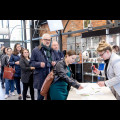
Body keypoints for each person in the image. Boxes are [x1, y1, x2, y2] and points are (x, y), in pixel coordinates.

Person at [30, 33, 58, 100]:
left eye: (49, 40)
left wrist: (55, 63)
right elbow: (31, 63)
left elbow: (57, 60)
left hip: (50, 77)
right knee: (40, 96)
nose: (48, 41)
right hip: (40, 77)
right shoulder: (36, 50)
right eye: (46, 39)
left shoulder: (52, 51)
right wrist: (39, 64)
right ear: (42, 40)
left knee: (50, 95)